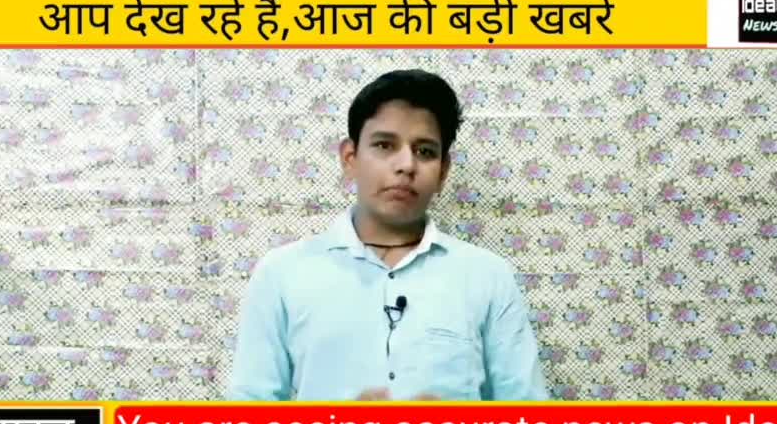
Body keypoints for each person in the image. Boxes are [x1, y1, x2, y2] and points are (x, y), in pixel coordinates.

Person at [227, 69, 549, 401]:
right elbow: (248, 416)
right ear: (350, 158)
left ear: (443, 171)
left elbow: (529, 417)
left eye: (425, 151)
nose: (406, 164)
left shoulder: (487, 276)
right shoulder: (282, 273)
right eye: (384, 145)